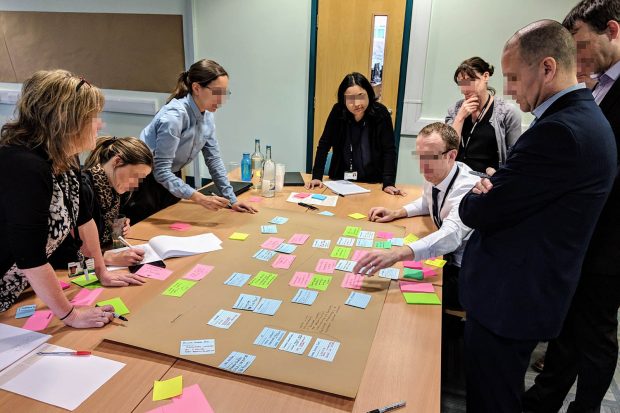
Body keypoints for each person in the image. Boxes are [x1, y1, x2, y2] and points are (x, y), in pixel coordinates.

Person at [457, 20, 616, 412]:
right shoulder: (582, 117)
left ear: (546, 68)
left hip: (510, 301)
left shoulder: (560, 131)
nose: (508, 88)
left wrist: (482, 192)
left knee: (492, 399)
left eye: (513, 76)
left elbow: (478, 209)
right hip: (526, 292)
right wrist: (494, 185)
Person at [523, 2, 620, 412]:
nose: (575, 56)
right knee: (566, 323)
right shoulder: (595, 83)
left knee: (596, 333)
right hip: (580, 232)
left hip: (612, 237)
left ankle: (588, 407)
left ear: (612, 30)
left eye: (581, 44)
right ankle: (544, 399)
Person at [0, 70, 145, 328]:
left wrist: (101, 272)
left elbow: (84, 219)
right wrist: (70, 315)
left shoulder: (65, 158)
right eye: (93, 117)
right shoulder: (23, 166)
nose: (100, 125)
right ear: (67, 120)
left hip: (16, 286)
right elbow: (30, 256)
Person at [352, 122, 478, 312]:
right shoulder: (439, 172)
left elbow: (450, 235)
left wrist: (396, 254)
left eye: (429, 157)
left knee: (399, 296)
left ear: (451, 156)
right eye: (420, 157)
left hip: (467, 269)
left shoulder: (469, 188)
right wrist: (397, 212)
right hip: (446, 256)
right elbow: (429, 202)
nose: (422, 165)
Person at [121, 59, 257, 223]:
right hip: (144, 182)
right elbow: (161, 171)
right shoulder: (174, 117)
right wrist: (200, 198)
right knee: (145, 233)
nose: (221, 100)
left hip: (171, 177)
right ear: (196, 88)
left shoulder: (207, 116)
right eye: (217, 92)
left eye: (224, 93)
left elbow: (213, 160)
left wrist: (232, 199)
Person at [49, 136, 153, 269]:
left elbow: (100, 230)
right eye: (135, 176)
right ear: (117, 161)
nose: (136, 184)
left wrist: (117, 228)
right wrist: (108, 258)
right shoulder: (82, 189)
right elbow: (63, 254)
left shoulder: (112, 191)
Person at [306, 72, 403, 195]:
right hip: (340, 181)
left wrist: (388, 183)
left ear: (369, 93)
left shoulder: (381, 113)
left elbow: (389, 151)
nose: (356, 104)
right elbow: (324, 145)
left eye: (360, 96)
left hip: (372, 182)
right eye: (350, 99)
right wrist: (317, 177)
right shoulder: (338, 112)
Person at [446, 57, 522, 173]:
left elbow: (515, 157)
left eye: (470, 81)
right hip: (459, 177)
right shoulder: (455, 110)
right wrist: (460, 118)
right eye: (461, 83)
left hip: (490, 179)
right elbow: (448, 150)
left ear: (485, 76)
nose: (465, 89)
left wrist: (498, 175)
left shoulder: (507, 112)